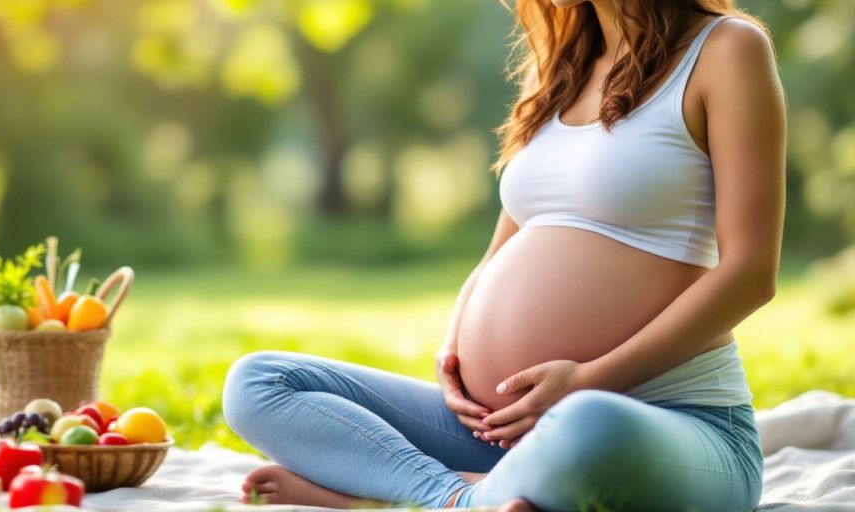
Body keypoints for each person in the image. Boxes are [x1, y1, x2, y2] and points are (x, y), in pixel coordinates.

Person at [222, 0, 786, 510]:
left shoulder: (727, 50)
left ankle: (393, 496)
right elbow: (503, 249)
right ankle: (452, 496)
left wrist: (591, 379)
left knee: (584, 425)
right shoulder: (557, 73)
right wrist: (453, 347)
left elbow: (750, 275)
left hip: (667, 425)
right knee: (259, 383)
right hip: (501, 429)